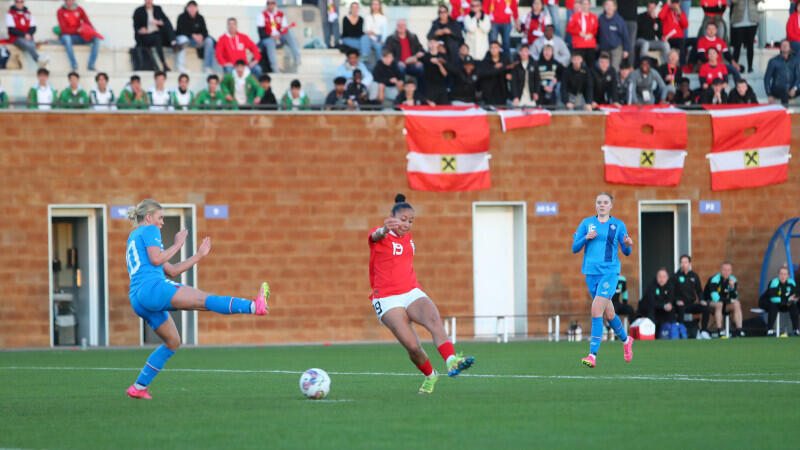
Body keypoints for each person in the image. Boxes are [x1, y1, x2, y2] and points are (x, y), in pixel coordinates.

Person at [124, 199, 269, 399]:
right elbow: (157, 260)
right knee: (203, 300)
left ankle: (139, 387)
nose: (162, 223)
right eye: (160, 218)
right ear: (148, 217)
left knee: (173, 342)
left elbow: (171, 270)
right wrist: (178, 243)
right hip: (152, 288)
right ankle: (254, 306)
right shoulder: (150, 231)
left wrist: (198, 255)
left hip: (138, 298)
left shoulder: (134, 236)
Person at [369, 194, 474, 394]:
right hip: (387, 298)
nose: (407, 224)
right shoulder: (379, 235)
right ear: (392, 217)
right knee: (413, 346)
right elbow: (376, 236)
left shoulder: (409, 239)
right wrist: (384, 229)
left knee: (434, 319)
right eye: (403, 220)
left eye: (411, 221)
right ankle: (430, 375)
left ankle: (452, 361)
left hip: (411, 291)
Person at [572, 192, 634, 368]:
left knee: (596, 311)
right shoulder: (586, 223)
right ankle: (626, 339)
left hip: (610, 272)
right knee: (609, 314)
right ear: (595, 205)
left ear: (611, 205)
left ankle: (592, 355)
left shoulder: (618, 225)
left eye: (605, 202)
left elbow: (626, 251)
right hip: (591, 273)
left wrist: (628, 245)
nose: (602, 205)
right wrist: (585, 238)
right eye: (599, 202)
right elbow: (574, 248)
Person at [257, 0, 301, 73]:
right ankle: (274, 67)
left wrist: (279, 34)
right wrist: (272, 36)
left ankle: (297, 56)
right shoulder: (261, 15)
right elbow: (261, 34)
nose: (270, 5)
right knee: (270, 41)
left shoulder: (280, 14)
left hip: (279, 38)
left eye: (272, 3)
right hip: (268, 39)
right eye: (268, 3)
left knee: (288, 32)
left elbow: (284, 29)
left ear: (275, 4)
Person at [673, 255, 710, 339]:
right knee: (680, 308)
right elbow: (672, 293)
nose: (683, 264)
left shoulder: (694, 276)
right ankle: (680, 331)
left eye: (686, 262)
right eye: (682, 262)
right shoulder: (675, 277)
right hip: (679, 304)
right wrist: (677, 301)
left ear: (689, 264)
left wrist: (701, 300)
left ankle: (703, 331)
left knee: (706, 307)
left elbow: (699, 291)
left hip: (691, 304)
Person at [133, 0, 177, 72]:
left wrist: (159, 22)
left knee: (164, 29)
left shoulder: (157, 9)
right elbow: (136, 28)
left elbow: (166, 21)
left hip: (158, 35)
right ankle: (164, 64)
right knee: (157, 38)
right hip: (145, 37)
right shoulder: (138, 11)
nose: (148, 1)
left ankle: (173, 42)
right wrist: (141, 30)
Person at [57, 0, 101, 72]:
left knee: (96, 39)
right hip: (68, 37)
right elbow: (64, 29)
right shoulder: (60, 11)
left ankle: (91, 64)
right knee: (67, 38)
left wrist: (92, 31)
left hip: (79, 36)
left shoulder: (80, 9)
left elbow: (87, 23)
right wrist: (77, 30)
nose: (70, 1)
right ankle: (74, 65)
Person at [703, 262, 743, 338]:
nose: (726, 272)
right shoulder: (714, 279)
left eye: (728, 270)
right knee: (719, 304)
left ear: (731, 271)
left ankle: (739, 330)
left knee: (737, 304)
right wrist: (730, 300)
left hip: (724, 303)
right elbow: (716, 298)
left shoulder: (733, 280)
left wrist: (732, 287)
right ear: (720, 270)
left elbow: (734, 297)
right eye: (724, 270)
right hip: (709, 303)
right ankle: (720, 329)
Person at [175, 1, 215, 73]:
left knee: (209, 41)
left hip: (197, 41)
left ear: (197, 8)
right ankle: (181, 66)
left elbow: (205, 31)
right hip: (186, 40)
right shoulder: (181, 17)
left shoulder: (200, 18)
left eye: (194, 7)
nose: (192, 9)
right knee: (183, 39)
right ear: (187, 8)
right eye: (190, 7)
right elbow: (180, 31)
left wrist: (201, 36)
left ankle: (208, 67)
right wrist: (193, 35)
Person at [7, 0, 49, 68]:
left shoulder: (28, 13)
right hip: (16, 38)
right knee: (28, 44)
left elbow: (33, 27)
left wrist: (28, 34)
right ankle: (38, 59)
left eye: (21, 2)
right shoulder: (10, 14)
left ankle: (40, 63)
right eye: (18, 2)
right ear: (15, 3)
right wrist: (24, 35)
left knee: (31, 44)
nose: (19, 4)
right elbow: (11, 30)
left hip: (28, 37)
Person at [761, 267, 799, 336]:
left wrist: (793, 299)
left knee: (793, 306)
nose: (783, 276)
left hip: (783, 304)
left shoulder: (791, 282)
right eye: (781, 274)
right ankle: (770, 330)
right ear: (778, 275)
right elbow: (774, 298)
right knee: (773, 306)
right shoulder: (774, 282)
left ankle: (795, 330)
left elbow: (794, 295)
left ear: (788, 275)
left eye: (785, 274)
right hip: (767, 302)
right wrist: (788, 299)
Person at [597, 0, 631, 71]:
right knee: (603, 69)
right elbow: (597, 33)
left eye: (611, 5)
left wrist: (626, 50)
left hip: (616, 49)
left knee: (614, 69)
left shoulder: (619, 20)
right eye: (607, 5)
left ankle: (615, 82)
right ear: (604, 6)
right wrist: (597, 43)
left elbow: (625, 36)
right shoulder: (601, 18)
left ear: (615, 7)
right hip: (604, 49)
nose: (609, 7)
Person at [764, 40, 800, 105]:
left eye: (786, 45)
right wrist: (769, 94)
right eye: (783, 45)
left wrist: (794, 88)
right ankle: (785, 112)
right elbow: (767, 79)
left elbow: (798, 77)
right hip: (778, 89)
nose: (784, 47)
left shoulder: (795, 61)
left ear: (790, 48)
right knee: (784, 91)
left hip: (791, 89)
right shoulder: (773, 61)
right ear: (780, 48)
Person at [729, 0, 761, 73]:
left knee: (750, 45)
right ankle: (734, 66)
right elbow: (734, 1)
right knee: (737, 45)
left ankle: (750, 67)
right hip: (738, 20)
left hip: (752, 20)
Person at [566, 0, 599, 70]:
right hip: (579, 45)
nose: (585, 6)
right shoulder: (575, 16)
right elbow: (568, 29)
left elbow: (596, 30)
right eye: (583, 4)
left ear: (590, 5)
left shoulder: (594, 17)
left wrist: (591, 34)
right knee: (578, 67)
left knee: (591, 68)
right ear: (581, 5)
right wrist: (578, 32)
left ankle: (590, 80)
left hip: (590, 45)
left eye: (587, 4)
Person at [637, 0, 669, 65]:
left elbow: (659, 34)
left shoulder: (657, 19)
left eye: (653, 8)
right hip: (641, 40)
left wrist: (663, 37)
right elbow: (642, 30)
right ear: (647, 8)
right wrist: (651, 20)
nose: (651, 10)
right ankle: (644, 64)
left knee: (666, 44)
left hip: (652, 41)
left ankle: (665, 65)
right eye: (650, 8)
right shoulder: (641, 17)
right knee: (646, 44)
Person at [478, 41, 509, 106]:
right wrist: (495, 68)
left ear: (499, 49)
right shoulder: (485, 61)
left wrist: (509, 75)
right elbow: (482, 73)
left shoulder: (505, 60)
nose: (493, 50)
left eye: (495, 47)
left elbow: (509, 72)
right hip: (488, 95)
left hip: (502, 94)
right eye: (491, 48)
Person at [422, 40, 451, 105]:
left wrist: (438, 63)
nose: (432, 45)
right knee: (429, 108)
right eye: (431, 43)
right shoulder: (425, 56)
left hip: (441, 86)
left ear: (437, 44)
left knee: (443, 108)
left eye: (434, 43)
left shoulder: (443, 57)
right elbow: (408, 61)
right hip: (429, 87)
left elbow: (445, 74)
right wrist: (416, 56)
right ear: (428, 44)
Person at [660, 0, 688, 65]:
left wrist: (680, 14)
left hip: (680, 39)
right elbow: (660, 17)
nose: (675, 4)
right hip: (670, 39)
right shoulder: (666, 12)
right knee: (682, 42)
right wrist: (667, 5)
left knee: (695, 41)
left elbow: (685, 25)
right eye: (673, 2)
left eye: (677, 2)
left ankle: (691, 64)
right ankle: (682, 65)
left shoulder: (681, 13)